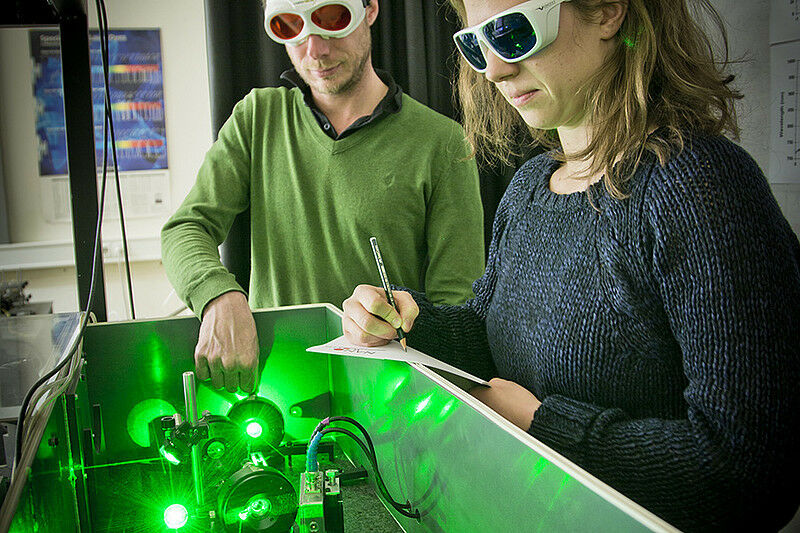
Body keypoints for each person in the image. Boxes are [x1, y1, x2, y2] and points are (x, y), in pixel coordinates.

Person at [341, 0, 800, 530]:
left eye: (512, 33)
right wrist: (409, 321)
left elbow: (752, 470)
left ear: (607, 12)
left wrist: (542, 427)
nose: (494, 70)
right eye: (476, 45)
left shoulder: (699, 187)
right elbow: (492, 336)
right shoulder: (529, 187)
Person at [161, 0, 485, 394]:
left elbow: (457, 311)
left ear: (370, 9)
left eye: (332, 20)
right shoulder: (258, 118)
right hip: (274, 398)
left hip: (390, 399)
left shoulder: (442, 143)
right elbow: (186, 228)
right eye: (289, 27)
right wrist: (218, 296)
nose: (314, 50)